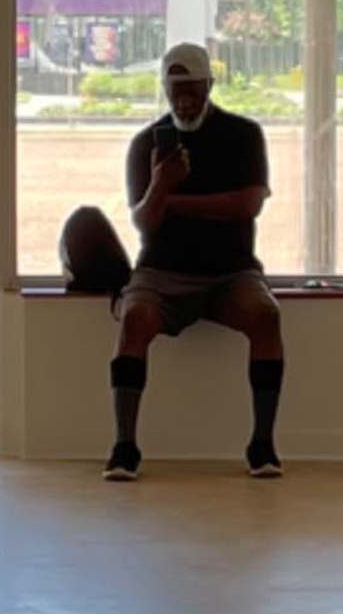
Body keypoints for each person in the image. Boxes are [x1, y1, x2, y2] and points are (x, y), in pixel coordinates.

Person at [108, 39, 284, 479]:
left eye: (193, 89)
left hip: (231, 271)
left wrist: (176, 201)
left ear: (210, 84)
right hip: (161, 273)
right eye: (176, 90)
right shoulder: (146, 143)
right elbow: (144, 223)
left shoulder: (243, 135)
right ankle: (124, 447)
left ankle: (262, 445)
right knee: (134, 320)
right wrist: (162, 184)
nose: (185, 100)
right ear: (165, 89)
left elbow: (247, 205)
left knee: (265, 315)